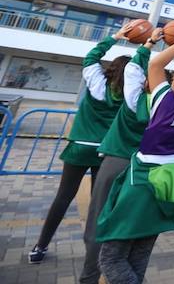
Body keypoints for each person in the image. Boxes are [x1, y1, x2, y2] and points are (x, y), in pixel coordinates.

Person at [95, 25, 174, 284]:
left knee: (111, 258)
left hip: (147, 181)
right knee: (139, 254)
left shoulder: (166, 101)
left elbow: (155, 65)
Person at [29, 21, 137, 265]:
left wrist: (116, 36)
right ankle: (93, 252)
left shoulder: (96, 82)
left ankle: (40, 246)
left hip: (80, 145)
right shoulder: (130, 94)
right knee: (98, 204)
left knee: (63, 197)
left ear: (110, 69)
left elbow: (91, 57)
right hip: (106, 151)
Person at [77, 27, 164, 284]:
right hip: (145, 171)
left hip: (116, 160)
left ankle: (89, 277)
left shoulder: (131, 100)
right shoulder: (165, 107)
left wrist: (145, 43)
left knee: (97, 224)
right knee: (132, 235)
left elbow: (99, 60)